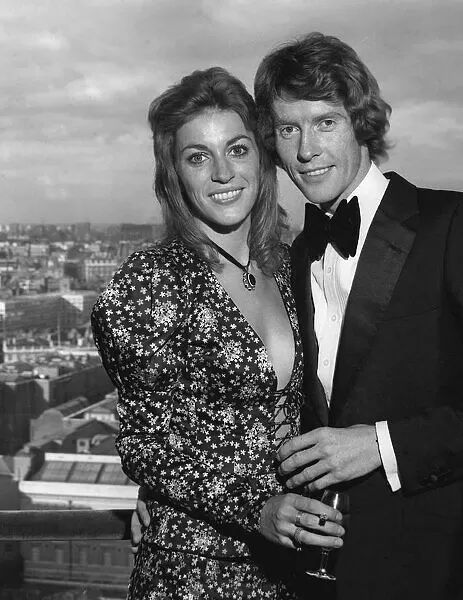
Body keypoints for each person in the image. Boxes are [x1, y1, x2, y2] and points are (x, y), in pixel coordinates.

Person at [251, 32, 463, 599]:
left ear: (362, 123)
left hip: (428, 571)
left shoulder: (454, 223)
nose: (305, 149)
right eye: (287, 130)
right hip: (316, 578)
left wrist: (383, 444)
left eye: (325, 122)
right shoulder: (293, 256)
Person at [91, 66, 344, 600]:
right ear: (174, 175)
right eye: (198, 157)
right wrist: (255, 506)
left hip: (292, 565)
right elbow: (145, 441)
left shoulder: (288, 263)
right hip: (196, 571)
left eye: (238, 149)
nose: (224, 173)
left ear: (262, 157)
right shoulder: (150, 283)